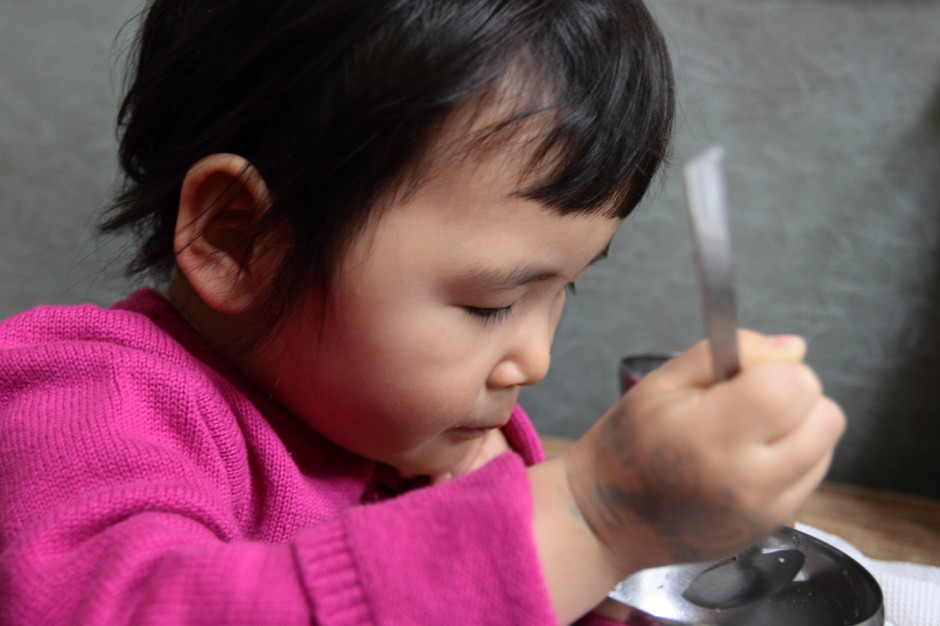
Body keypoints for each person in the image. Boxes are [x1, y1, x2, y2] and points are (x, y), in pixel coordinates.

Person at [0, 0, 845, 624]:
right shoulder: (88, 406)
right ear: (241, 237)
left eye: (565, 291)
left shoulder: (418, 433)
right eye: (492, 303)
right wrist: (589, 519)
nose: (535, 360)